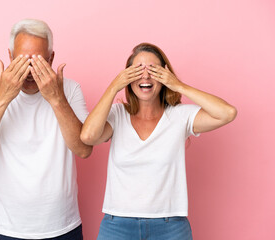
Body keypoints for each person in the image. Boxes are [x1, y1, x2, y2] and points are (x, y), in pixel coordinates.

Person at [80, 43, 237, 240]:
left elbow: (227, 113)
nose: (145, 76)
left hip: (170, 227)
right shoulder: (117, 115)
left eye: (152, 70)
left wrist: (179, 85)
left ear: (165, 76)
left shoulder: (180, 116)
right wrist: (113, 87)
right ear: (127, 77)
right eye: (138, 70)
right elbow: (88, 136)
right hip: (118, 225)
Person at [0, 19, 92, 240]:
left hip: (63, 226)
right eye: (22, 61)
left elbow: (84, 149)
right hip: (9, 229)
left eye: (38, 61)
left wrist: (56, 99)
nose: (29, 70)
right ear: (10, 57)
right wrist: (2, 97)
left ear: (51, 58)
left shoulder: (70, 89)